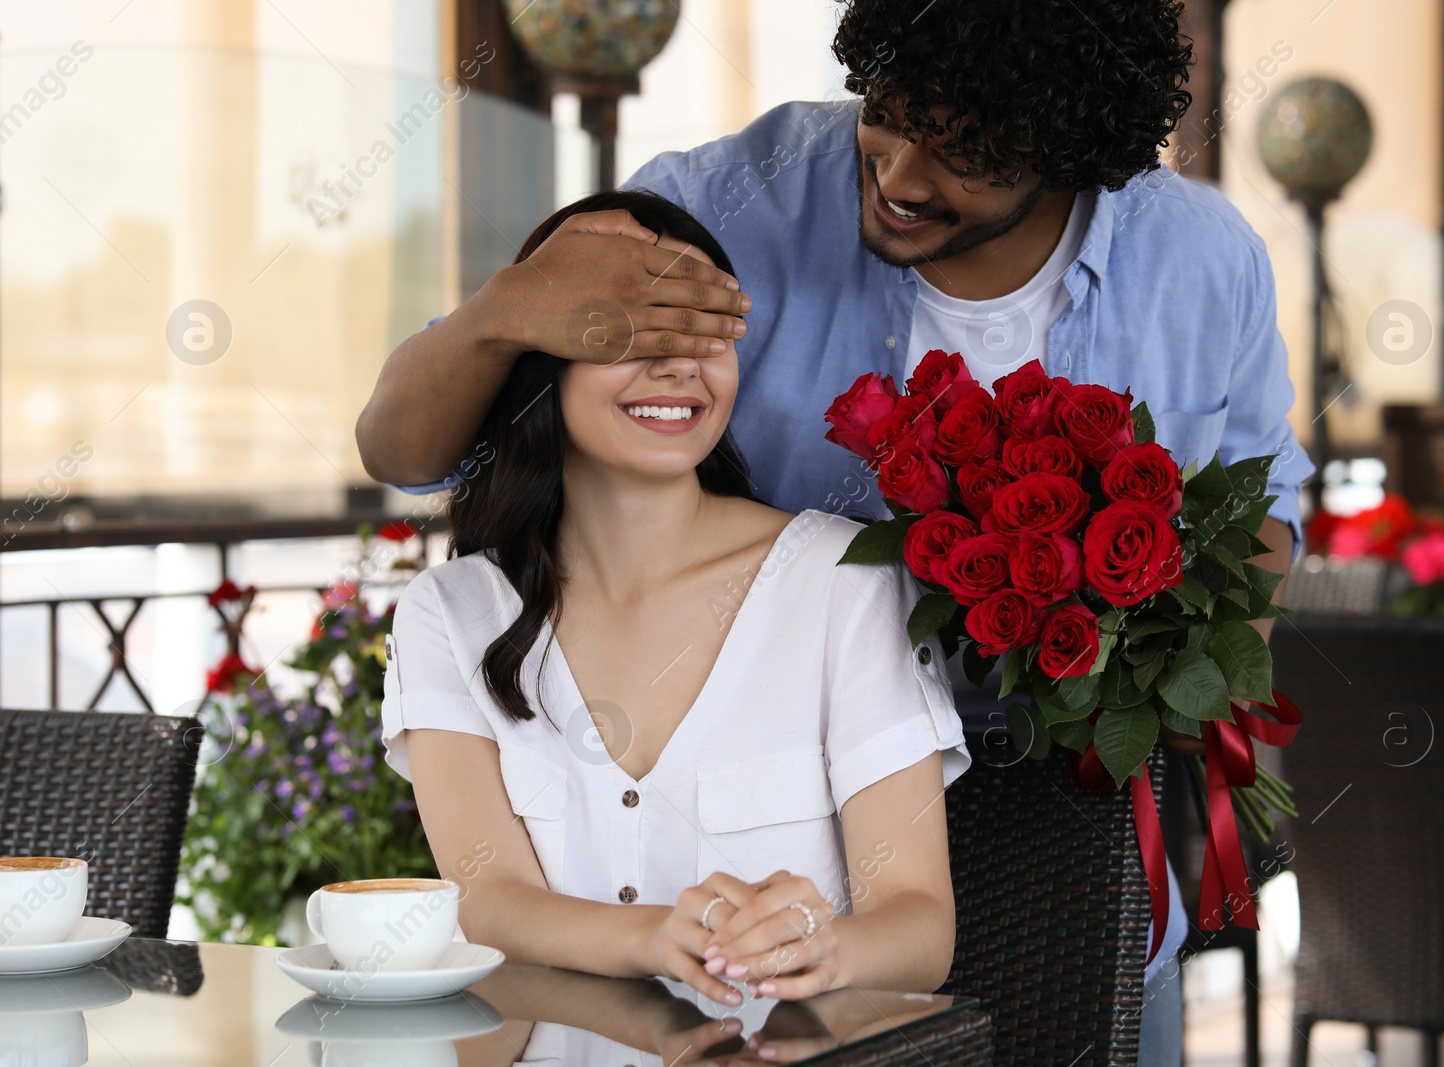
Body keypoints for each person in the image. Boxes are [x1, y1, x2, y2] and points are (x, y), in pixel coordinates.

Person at [360, 2, 1314, 1058]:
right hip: (797, 826)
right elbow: (416, 448)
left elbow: (1258, 499)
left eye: (965, 154)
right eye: (890, 114)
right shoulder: (729, 202)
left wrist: (1208, 673)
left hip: (1074, 831)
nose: (901, 175)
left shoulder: (1198, 262)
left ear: (1069, 151)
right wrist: (503, 313)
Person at [379, 190, 972, 1014]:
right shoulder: (449, 613)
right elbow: (485, 897)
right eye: (631, 333)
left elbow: (919, 926)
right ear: (538, 360)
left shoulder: (844, 579)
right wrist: (653, 937)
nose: (677, 366)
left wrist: (823, 945)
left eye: (705, 335)